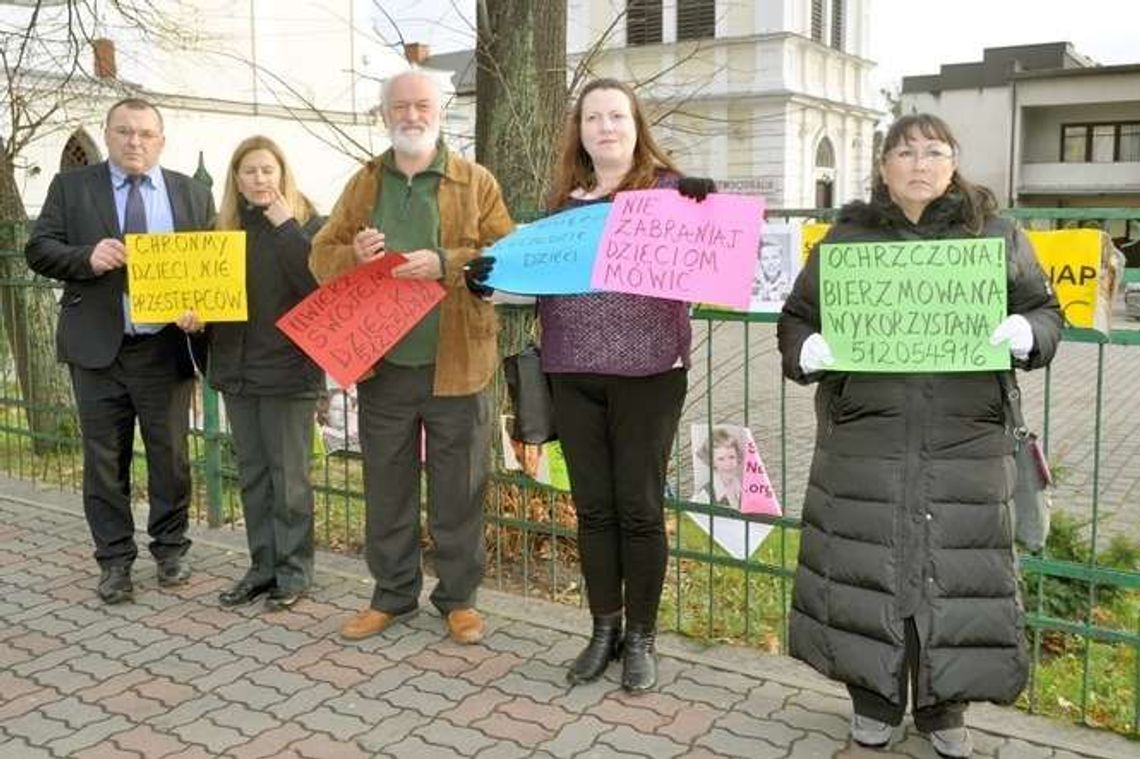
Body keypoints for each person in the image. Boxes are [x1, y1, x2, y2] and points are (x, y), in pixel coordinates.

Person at [776, 113, 1062, 758]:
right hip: (863, 438)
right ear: (883, 167)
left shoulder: (995, 235)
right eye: (905, 152)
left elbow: (1045, 311)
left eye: (934, 151)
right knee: (864, 568)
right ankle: (873, 700)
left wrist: (1029, 334)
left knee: (955, 572)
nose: (920, 163)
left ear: (953, 161)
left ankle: (944, 707)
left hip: (965, 437)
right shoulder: (845, 241)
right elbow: (795, 319)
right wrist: (808, 349)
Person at [466, 77, 715, 692]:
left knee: (638, 507)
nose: (606, 127)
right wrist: (489, 284)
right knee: (594, 510)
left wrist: (704, 207)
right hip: (573, 372)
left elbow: (715, 259)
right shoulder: (563, 207)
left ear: (637, 128)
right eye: (594, 118)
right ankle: (603, 629)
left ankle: (641, 639)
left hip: (650, 373)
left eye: (617, 117)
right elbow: (539, 284)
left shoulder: (670, 196)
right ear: (579, 132)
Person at [309, 69, 513, 644]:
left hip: (459, 365)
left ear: (439, 110)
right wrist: (353, 253)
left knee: (459, 489)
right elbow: (319, 255)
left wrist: (446, 262)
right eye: (399, 107)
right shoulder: (365, 183)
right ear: (384, 115)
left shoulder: (475, 181)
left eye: (421, 104)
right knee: (387, 487)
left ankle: (458, 600)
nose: (411, 115)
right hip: (384, 365)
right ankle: (392, 595)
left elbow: (506, 254)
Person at [25, 98, 215, 605]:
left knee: (171, 458)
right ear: (107, 135)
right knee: (104, 462)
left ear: (161, 140)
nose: (135, 142)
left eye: (145, 134)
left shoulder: (191, 194)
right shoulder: (72, 186)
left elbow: (214, 267)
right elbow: (37, 248)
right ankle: (114, 561)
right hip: (97, 349)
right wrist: (85, 256)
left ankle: (171, 547)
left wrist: (201, 310)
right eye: (125, 132)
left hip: (164, 347)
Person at [180, 136, 323, 612]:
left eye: (267, 170)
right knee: (254, 478)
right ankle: (262, 567)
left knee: (290, 480)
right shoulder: (221, 233)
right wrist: (196, 318)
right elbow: (211, 301)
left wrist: (285, 226)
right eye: (249, 172)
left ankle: (294, 571)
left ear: (282, 173)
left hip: (289, 374)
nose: (259, 179)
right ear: (235, 180)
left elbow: (317, 286)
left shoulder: (307, 224)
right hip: (238, 372)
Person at [693, 426, 744, 510]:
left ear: (738, 457)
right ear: (712, 462)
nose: (728, 464)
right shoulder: (705, 494)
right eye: (721, 459)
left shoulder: (746, 489)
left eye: (732, 457)